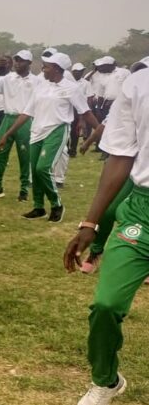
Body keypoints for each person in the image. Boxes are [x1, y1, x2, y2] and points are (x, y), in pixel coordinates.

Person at [63, 64, 149, 405]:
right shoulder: (138, 83)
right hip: (142, 210)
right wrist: (90, 223)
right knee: (106, 305)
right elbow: (120, 156)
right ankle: (106, 380)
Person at [0, 52, 99, 222]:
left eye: (46, 67)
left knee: (42, 168)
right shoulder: (41, 86)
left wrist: (100, 130)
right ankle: (38, 208)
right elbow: (26, 113)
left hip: (57, 130)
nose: (43, 69)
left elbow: (86, 112)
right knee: (34, 171)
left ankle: (56, 205)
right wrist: (7, 134)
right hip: (36, 132)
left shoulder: (71, 88)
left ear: (57, 69)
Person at [0, 50, 42, 201]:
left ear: (29, 63)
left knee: (25, 156)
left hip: (26, 120)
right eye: (16, 60)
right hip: (7, 118)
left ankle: (24, 189)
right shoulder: (8, 78)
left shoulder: (36, 81)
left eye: (21, 60)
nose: (17, 63)